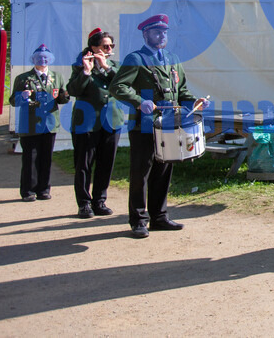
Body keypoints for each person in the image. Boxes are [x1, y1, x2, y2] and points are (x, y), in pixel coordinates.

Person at [110, 14, 207, 239]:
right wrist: (138, 101)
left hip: (169, 124)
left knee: (164, 171)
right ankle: (138, 220)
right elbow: (118, 86)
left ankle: (159, 217)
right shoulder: (136, 58)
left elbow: (181, 90)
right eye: (156, 32)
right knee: (141, 173)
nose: (162, 35)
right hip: (144, 126)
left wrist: (194, 102)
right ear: (146, 34)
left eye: (164, 32)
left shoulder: (172, 58)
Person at [66, 28, 124, 218]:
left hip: (111, 121)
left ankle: (99, 200)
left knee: (106, 163)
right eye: (105, 46)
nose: (109, 49)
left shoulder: (114, 66)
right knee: (84, 164)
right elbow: (73, 90)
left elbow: (123, 86)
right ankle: (84, 203)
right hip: (87, 122)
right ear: (93, 47)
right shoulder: (80, 65)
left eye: (111, 46)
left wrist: (106, 66)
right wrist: (86, 71)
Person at [13, 44, 70, 202]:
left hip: (50, 122)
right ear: (33, 59)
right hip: (30, 123)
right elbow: (13, 100)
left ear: (50, 60)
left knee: (46, 158)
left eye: (45, 58)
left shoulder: (56, 76)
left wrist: (64, 95)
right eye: (39, 58)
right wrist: (22, 97)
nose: (42, 60)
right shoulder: (24, 78)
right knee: (30, 158)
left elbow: (62, 97)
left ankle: (44, 189)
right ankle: (28, 191)